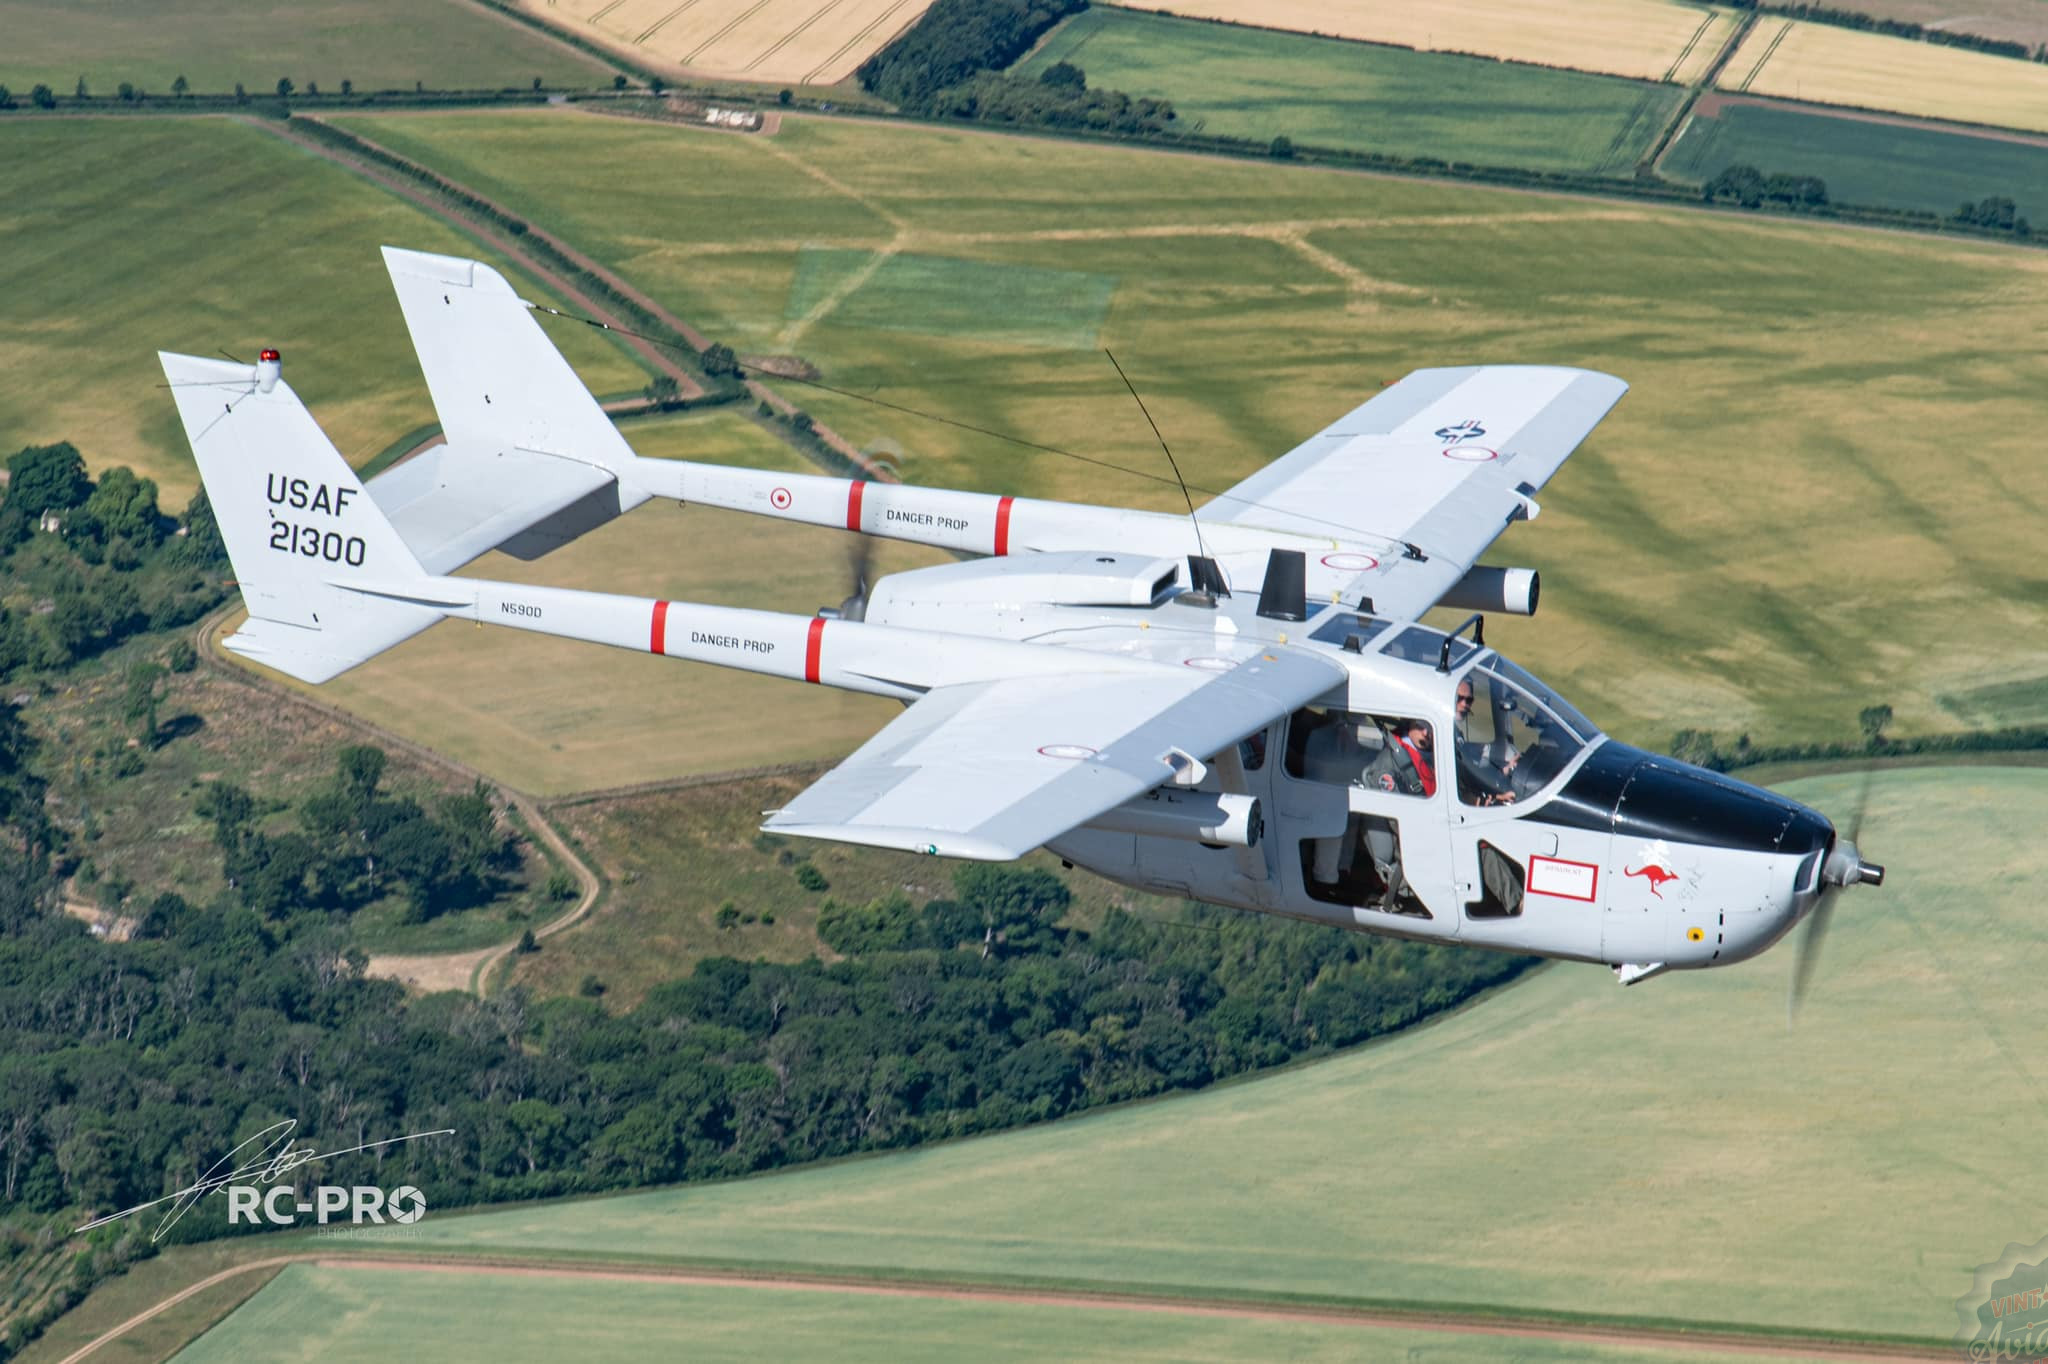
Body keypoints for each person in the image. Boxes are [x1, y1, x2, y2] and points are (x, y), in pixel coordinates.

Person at [1454, 678, 1516, 806]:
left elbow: (1470, 774)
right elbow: (1460, 788)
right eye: (1459, 698)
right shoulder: (1440, 736)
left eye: (1469, 700)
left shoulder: (1456, 734)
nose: (1464, 704)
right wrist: (1493, 799)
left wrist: (1505, 770)